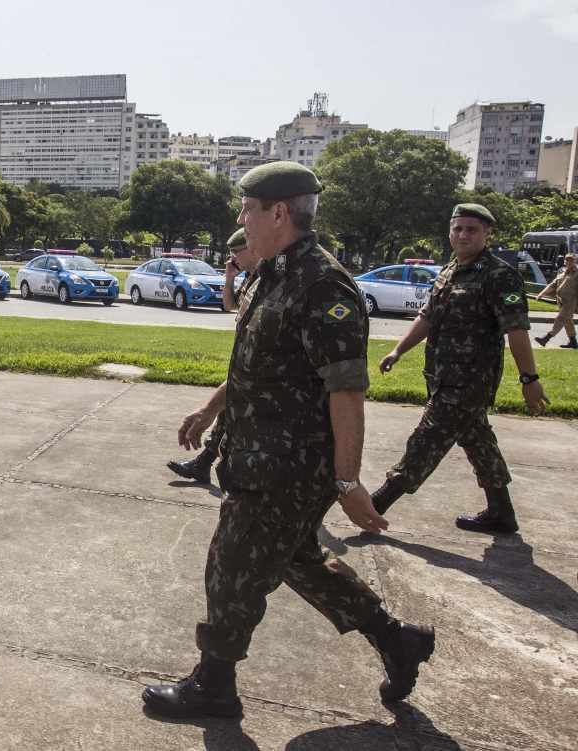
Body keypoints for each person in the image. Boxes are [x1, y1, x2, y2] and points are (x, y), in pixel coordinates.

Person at [143, 162, 434, 720]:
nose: (239, 218)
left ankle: (215, 685)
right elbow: (260, 365)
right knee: (300, 561)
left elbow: (347, 390)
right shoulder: (271, 275)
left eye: (246, 209)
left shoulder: (323, 285)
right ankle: (398, 639)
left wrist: (347, 480)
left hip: (288, 468)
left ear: (279, 213)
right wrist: (210, 408)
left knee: (232, 564)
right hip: (258, 456)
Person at [369, 205, 549, 534]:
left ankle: (375, 505)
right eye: (457, 229)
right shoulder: (450, 271)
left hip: (469, 381)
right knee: (478, 440)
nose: (463, 235)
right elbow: (427, 317)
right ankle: (501, 511)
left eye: (472, 229)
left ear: (487, 233)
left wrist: (529, 379)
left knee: (427, 440)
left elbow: (517, 330)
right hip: (442, 376)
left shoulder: (500, 275)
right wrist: (397, 351)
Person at [167, 228, 260, 483]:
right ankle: (204, 462)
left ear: (251, 247)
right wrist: (230, 277)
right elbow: (230, 304)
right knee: (227, 411)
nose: (233, 259)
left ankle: (205, 462)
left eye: (235, 252)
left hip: (257, 379)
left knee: (229, 414)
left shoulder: (269, 280)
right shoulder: (252, 279)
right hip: (243, 368)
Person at [534, 252, 577, 349]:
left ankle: (545, 338)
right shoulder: (563, 272)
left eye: (571, 260)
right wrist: (541, 294)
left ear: (575, 261)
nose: (569, 262)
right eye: (567, 260)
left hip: (571, 302)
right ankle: (573, 341)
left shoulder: (576, 273)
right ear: (564, 261)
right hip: (561, 301)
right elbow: (552, 285)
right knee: (567, 321)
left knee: (560, 319)